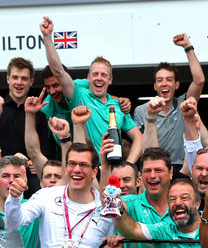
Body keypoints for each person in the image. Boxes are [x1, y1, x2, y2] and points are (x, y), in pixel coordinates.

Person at [40, 17, 142, 161]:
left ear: (110, 80)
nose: (99, 78)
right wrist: (47, 38)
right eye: (95, 74)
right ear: (88, 78)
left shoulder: (118, 106)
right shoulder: (78, 94)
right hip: (88, 172)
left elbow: (138, 137)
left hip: (114, 172)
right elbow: (58, 71)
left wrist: (129, 165)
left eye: (103, 75)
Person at [133, 34, 206, 170]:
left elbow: (199, 81)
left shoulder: (184, 105)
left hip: (183, 168)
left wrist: (187, 47)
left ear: (176, 85)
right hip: (155, 167)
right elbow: (140, 146)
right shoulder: (142, 110)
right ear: (155, 86)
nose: (164, 83)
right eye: (159, 80)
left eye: (169, 79)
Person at [0, 57, 56, 161]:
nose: (19, 82)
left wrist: (35, 163)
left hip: (28, 174)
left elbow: (45, 152)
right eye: (15, 77)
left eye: (24, 78)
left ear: (31, 81)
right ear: (8, 79)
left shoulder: (39, 115)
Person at [113, 178, 202, 248]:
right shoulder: (165, 230)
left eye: (184, 198)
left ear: (197, 204)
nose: (177, 203)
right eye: (172, 199)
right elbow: (132, 230)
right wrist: (118, 205)